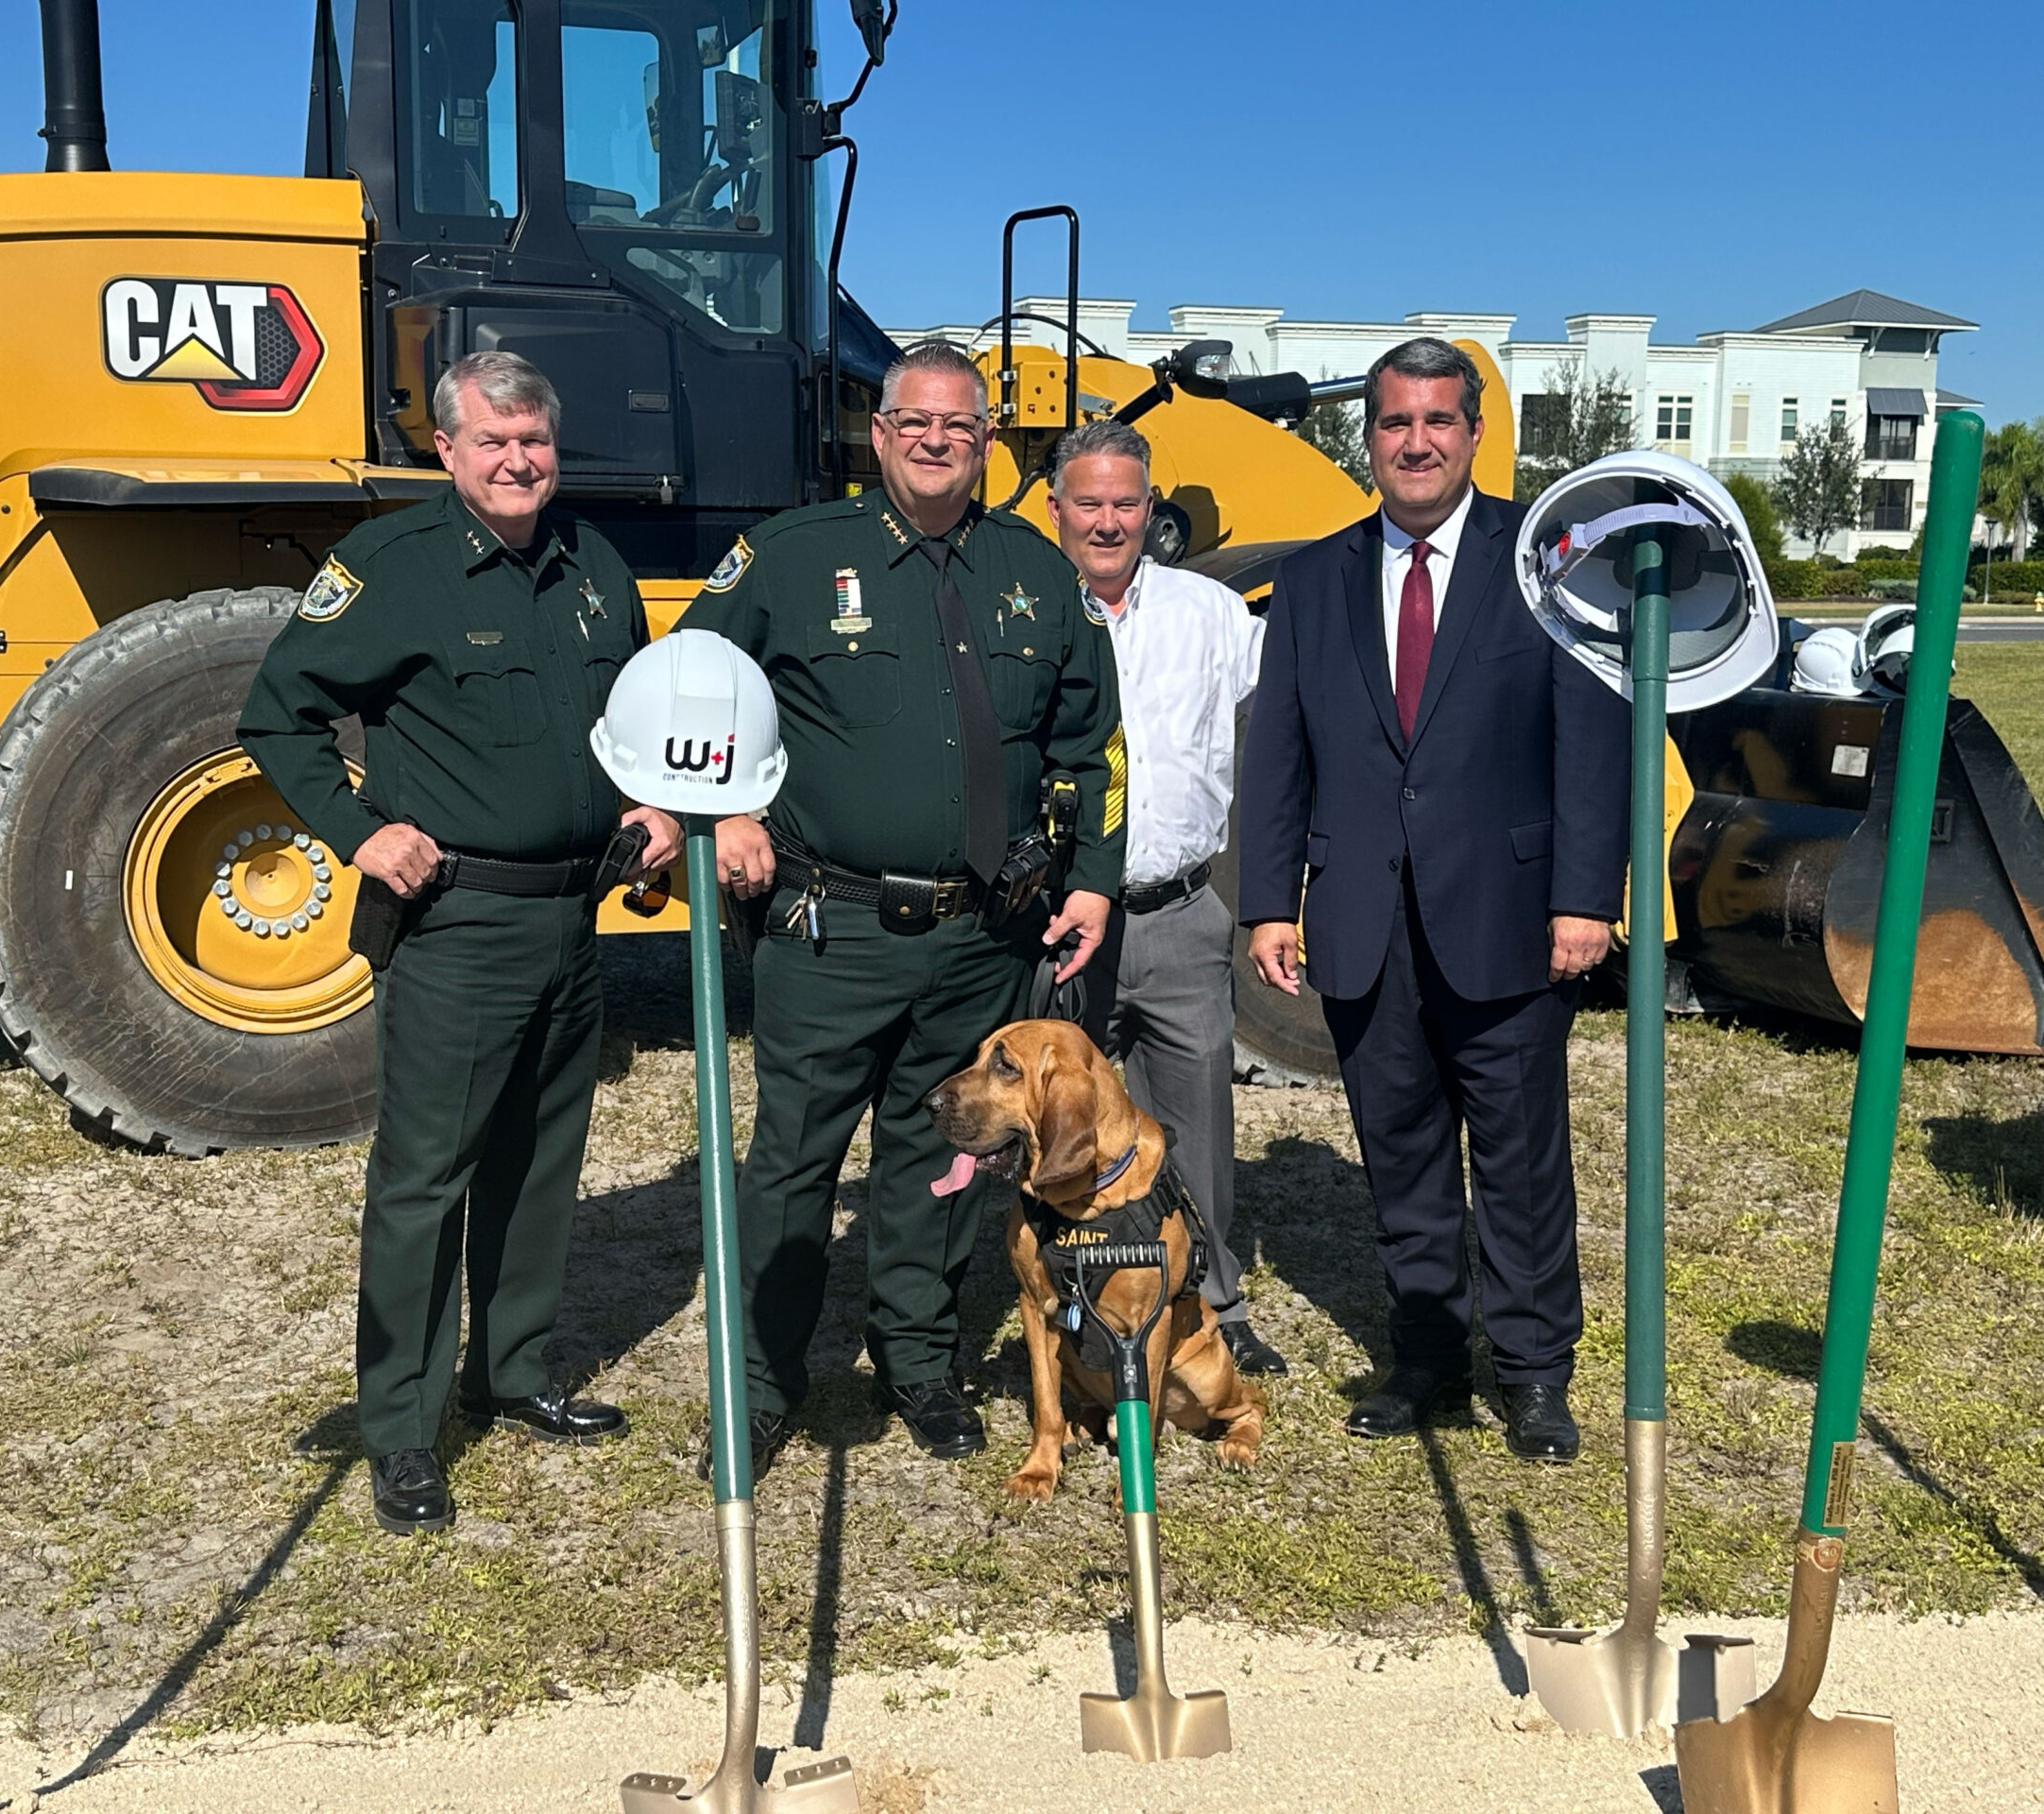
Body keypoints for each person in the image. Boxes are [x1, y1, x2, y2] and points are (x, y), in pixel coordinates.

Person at [238, 351, 681, 1534]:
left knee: (540, 1164)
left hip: (571, 914)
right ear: (447, 450)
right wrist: (356, 829)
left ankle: (515, 1370)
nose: (519, 461)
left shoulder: (595, 564)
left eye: (534, 440)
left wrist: (654, 806)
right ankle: (401, 1426)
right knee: (427, 1179)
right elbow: (274, 714)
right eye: (492, 443)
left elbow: (629, 717)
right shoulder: (394, 569)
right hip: (459, 923)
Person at [679, 340, 1125, 1472]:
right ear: (877, 434)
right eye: (915, 422)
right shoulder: (790, 557)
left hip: (981, 936)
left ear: (987, 445)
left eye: (961, 428)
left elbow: (1086, 745)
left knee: (945, 1158)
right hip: (832, 928)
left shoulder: (1030, 569)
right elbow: (693, 686)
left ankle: (917, 1359)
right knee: (793, 1159)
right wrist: (724, 812)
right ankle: (764, 1382)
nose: (937, 441)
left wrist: (1090, 879)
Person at [1235, 336, 1628, 1463]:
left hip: (1509, 915)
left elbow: (1587, 740)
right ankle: (1428, 1358)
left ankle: (1534, 1372)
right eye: (1394, 423)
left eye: (1437, 422)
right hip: (1362, 919)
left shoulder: (1545, 556)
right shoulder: (1312, 577)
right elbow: (1282, 753)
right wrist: (1271, 901)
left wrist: (1580, 897)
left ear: (1472, 433)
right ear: (1368, 439)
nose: (1415, 442)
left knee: (1517, 1159)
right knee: (1400, 1153)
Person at [1043, 419, 1286, 1378]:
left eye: (1125, 503)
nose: (1107, 522)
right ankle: (1078, 1305)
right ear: (1057, 506)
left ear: (1152, 510)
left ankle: (1210, 1301)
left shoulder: (1209, 613)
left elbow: (1300, 703)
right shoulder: (1020, 612)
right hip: (1062, 917)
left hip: (1182, 912)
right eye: (1088, 502)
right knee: (1066, 1129)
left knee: (1196, 1124)